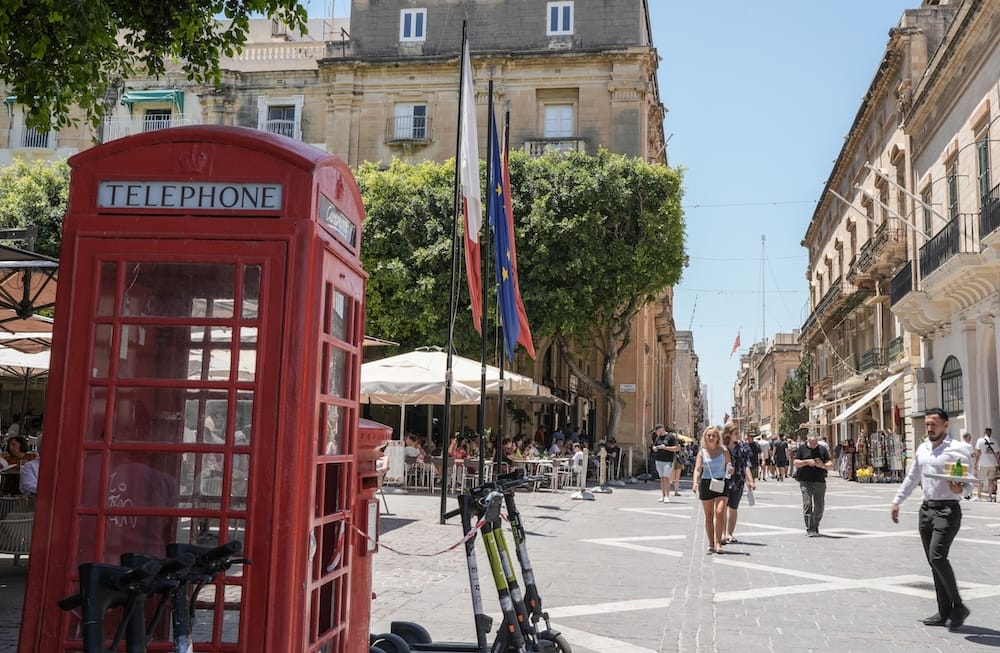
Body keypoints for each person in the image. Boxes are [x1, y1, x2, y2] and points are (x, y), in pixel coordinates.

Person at [890, 408, 972, 630]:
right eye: (927, 424)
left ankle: (959, 606)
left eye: (933, 424)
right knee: (933, 562)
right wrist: (897, 500)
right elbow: (913, 476)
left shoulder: (958, 450)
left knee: (937, 556)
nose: (929, 428)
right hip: (926, 510)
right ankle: (944, 611)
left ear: (946, 425)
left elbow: (967, 485)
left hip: (948, 510)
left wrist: (960, 488)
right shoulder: (923, 448)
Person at [692, 425, 731, 554]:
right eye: (708, 435)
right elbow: (697, 469)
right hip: (706, 483)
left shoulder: (724, 451)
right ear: (705, 437)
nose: (711, 437)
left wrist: (731, 470)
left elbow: (729, 466)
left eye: (713, 435)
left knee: (720, 512)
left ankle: (719, 542)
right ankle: (711, 542)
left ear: (717, 437)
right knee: (709, 516)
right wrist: (695, 482)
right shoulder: (702, 452)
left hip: (721, 482)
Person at [794, 431, 832, 536]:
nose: (813, 444)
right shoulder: (802, 449)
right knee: (807, 504)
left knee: (820, 506)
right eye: (812, 442)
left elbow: (830, 463)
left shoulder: (822, 449)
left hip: (819, 480)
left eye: (815, 442)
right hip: (805, 481)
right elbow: (796, 462)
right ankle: (810, 528)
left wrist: (822, 465)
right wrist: (807, 462)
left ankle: (815, 524)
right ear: (807, 440)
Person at [722, 423, 755, 544]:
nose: (738, 435)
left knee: (733, 507)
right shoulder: (721, 448)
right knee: (723, 508)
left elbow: (746, 465)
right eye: (735, 433)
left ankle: (730, 533)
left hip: (738, 481)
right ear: (728, 434)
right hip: (723, 481)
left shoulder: (742, 448)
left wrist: (750, 480)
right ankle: (722, 534)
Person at [651, 423, 679, 502]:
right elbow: (654, 446)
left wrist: (665, 447)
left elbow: (676, 448)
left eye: (657, 431)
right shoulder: (658, 437)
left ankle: (667, 496)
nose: (656, 433)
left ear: (661, 429)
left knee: (666, 478)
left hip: (667, 461)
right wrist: (655, 448)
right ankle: (663, 496)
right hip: (658, 459)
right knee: (662, 478)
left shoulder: (670, 437)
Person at [973, 427, 997, 501]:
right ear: (990, 433)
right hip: (992, 464)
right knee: (990, 481)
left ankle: (978, 496)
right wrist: (998, 463)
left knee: (981, 480)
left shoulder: (980, 440)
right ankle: (990, 497)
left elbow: (978, 453)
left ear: (985, 433)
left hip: (983, 463)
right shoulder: (994, 441)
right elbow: (998, 453)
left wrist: (976, 463)